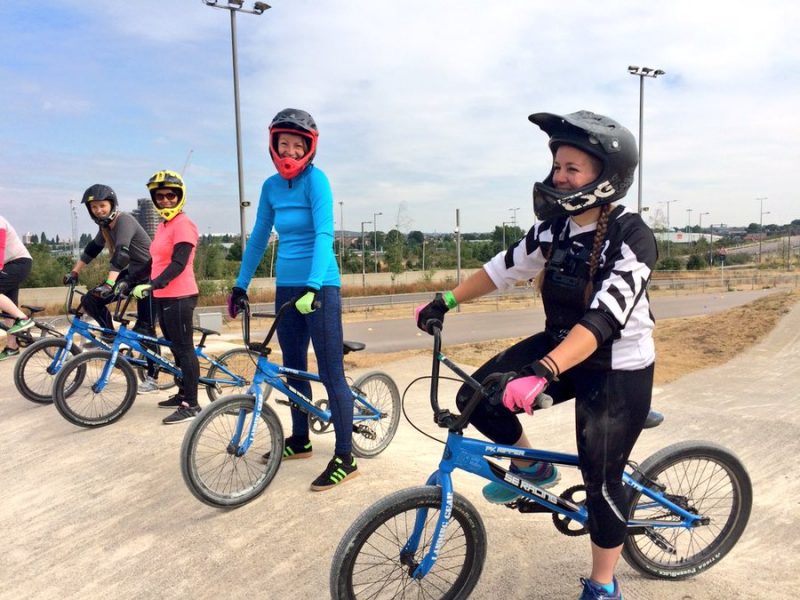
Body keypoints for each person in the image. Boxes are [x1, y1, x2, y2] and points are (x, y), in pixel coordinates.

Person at [415, 111, 657, 600]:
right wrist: (447, 301)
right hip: (560, 342)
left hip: (616, 363)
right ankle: (532, 466)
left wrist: (542, 373)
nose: (559, 178)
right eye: (557, 166)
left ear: (605, 178)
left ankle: (603, 585)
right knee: (478, 397)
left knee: (601, 480)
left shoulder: (631, 236)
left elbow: (605, 319)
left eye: (573, 169)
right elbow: (502, 269)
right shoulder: (554, 229)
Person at [228, 108, 358, 492]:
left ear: (308, 148)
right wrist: (240, 284)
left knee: (331, 371)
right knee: (294, 368)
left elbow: (323, 236)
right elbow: (258, 238)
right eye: (282, 143)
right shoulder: (270, 187)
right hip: (287, 286)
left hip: (321, 287)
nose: (288, 151)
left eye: (296, 145)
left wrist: (315, 285)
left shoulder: (317, 183)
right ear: (273, 145)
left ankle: (345, 457)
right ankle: (300, 440)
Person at [64, 185, 158, 389]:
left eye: (102, 206)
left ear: (112, 205)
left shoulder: (123, 220)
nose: (98, 210)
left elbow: (121, 253)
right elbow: (92, 249)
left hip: (151, 274)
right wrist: (75, 272)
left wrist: (109, 284)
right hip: (134, 272)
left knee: (145, 328)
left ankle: (152, 377)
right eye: (94, 207)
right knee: (90, 299)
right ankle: (110, 335)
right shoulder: (105, 227)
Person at [132, 170, 201, 425]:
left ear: (180, 196)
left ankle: (191, 404)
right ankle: (182, 392)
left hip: (181, 295)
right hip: (163, 295)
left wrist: (152, 285)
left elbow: (178, 263)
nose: (165, 200)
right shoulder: (164, 226)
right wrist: (128, 279)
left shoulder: (184, 224)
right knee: (174, 348)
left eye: (170, 195)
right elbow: (153, 261)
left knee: (184, 349)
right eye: (159, 197)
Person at [0, 215, 34, 360]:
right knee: (8, 308)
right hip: (10, 264)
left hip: (19, 263)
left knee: (12, 310)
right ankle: (12, 347)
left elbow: (0, 246)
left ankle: (23, 318)